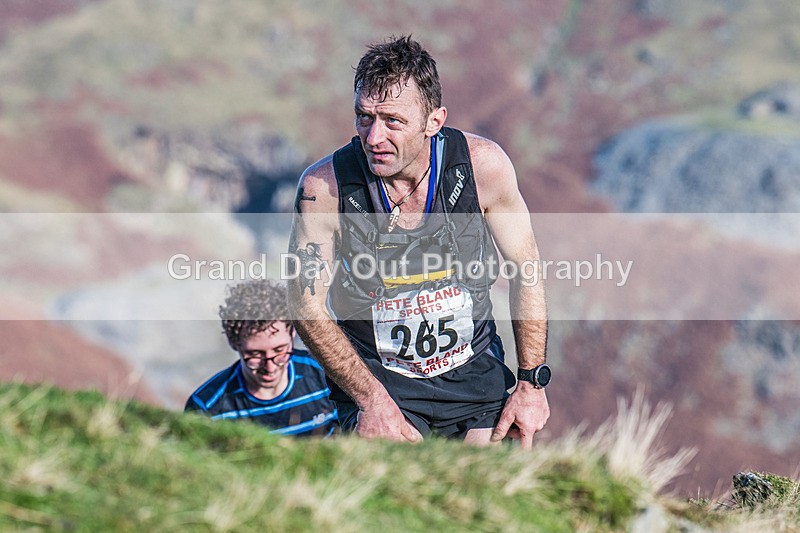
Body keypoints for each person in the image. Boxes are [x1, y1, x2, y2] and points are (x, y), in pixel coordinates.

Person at [287, 35, 549, 446]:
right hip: (377, 379)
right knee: (392, 496)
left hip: (472, 371)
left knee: (497, 491)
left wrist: (532, 384)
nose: (373, 137)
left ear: (434, 122)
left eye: (393, 120)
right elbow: (305, 304)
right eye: (364, 117)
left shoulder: (483, 168)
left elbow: (526, 271)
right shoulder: (325, 189)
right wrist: (371, 402)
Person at [185, 279, 338, 437]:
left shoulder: (328, 376)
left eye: (280, 350)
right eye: (255, 354)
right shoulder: (205, 408)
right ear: (233, 343)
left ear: (293, 332)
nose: (270, 368)